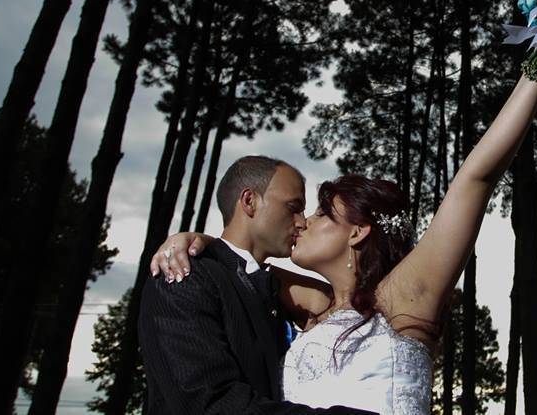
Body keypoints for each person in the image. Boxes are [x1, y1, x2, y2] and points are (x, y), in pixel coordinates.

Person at [152, 71, 537, 414]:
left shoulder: (403, 298)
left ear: (358, 232)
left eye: (321, 213)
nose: (303, 221)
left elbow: (476, 177)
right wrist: (197, 240)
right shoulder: (308, 305)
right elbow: (240, 262)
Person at [139, 155, 374, 415]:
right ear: (249, 201)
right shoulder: (185, 276)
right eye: (293, 207)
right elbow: (210, 403)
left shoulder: (276, 292)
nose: (302, 221)